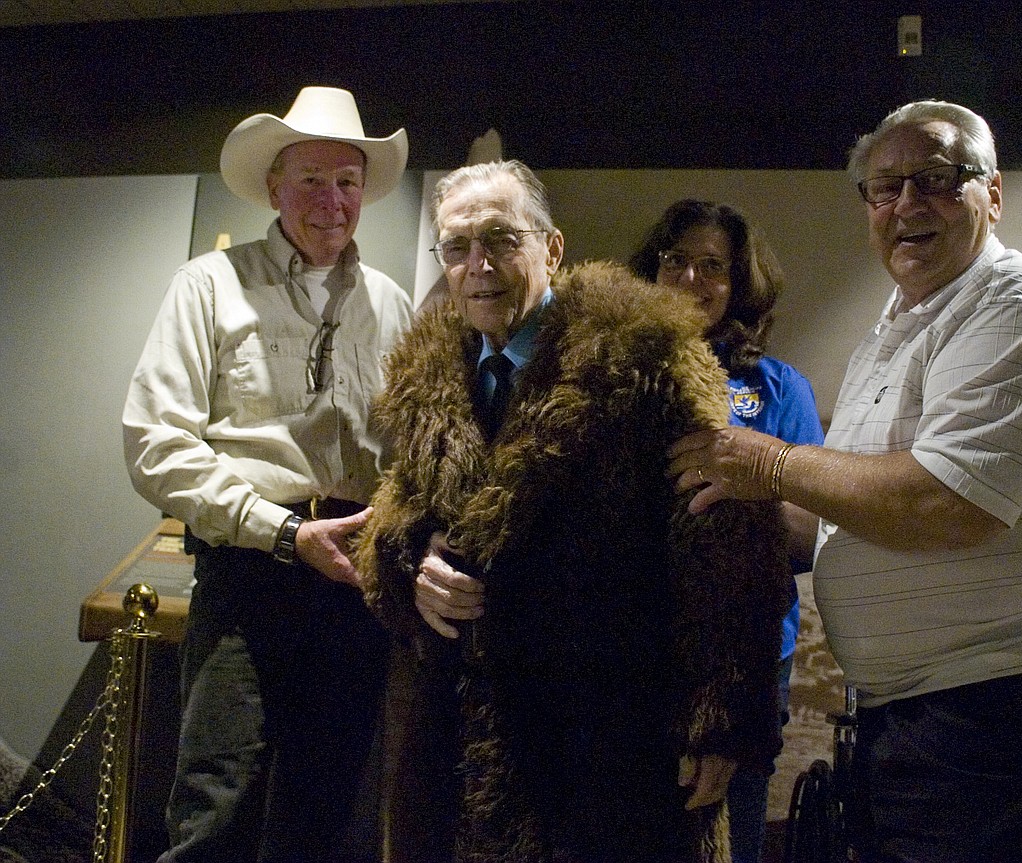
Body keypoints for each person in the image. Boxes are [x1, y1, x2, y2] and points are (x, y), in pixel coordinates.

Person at [667, 100, 1022, 863]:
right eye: (884, 186)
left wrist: (765, 462)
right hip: (934, 720)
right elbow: (844, 518)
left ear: (992, 194)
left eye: (935, 179)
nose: (906, 204)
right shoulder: (904, 325)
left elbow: (946, 504)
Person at [352, 159, 791, 863]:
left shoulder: (645, 354)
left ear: (551, 248)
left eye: (500, 239)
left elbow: (727, 537)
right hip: (465, 738)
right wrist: (413, 562)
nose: (479, 265)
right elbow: (393, 518)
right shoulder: (431, 376)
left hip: (613, 743)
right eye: (457, 247)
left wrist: (723, 716)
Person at [122, 86, 413, 863]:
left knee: (328, 812)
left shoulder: (393, 306)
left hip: (353, 582)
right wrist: (282, 532)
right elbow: (156, 442)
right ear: (274, 187)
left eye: (348, 181)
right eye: (312, 179)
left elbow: (416, 453)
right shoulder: (207, 285)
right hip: (250, 572)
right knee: (218, 807)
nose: (332, 199)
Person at [629, 199, 823, 863]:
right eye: (675, 260)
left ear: (737, 284)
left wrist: (749, 477)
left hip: (741, 666)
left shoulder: (777, 388)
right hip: (625, 656)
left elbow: (810, 536)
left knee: (723, 843)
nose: (690, 279)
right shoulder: (609, 378)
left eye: (712, 265)